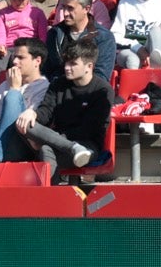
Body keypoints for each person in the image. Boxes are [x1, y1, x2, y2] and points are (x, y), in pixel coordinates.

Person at [6, 39, 111, 180]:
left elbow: (91, 129)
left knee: (46, 148)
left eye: (73, 64)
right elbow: (45, 113)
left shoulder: (102, 90)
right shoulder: (58, 84)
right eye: (66, 63)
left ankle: (49, 195)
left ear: (89, 66)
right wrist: (33, 113)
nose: (67, 67)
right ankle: (53, 193)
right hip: (59, 141)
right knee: (25, 122)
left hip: (87, 146)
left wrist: (52, 138)